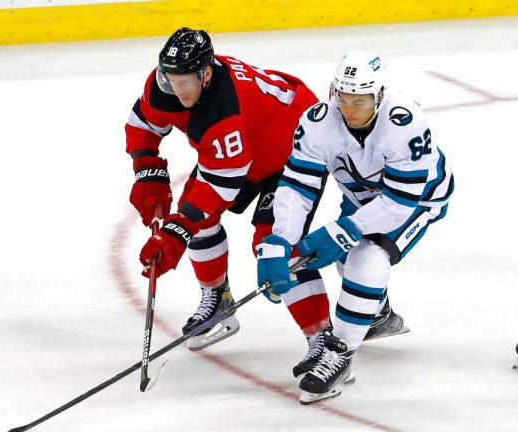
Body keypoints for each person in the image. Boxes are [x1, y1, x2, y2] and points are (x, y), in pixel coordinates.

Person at [256, 50, 454, 404]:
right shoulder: (317, 121)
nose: (349, 110)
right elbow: (297, 185)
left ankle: (341, 353)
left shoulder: (404, 122)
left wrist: (343, 231)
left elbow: (397, 203)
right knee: (343, 259)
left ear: (378, 95)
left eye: (359, 101)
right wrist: (281, 239)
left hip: (419, 198)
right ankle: (376, 315)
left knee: (367, 256)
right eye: (342, 98)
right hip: (363, 198)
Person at [126, 27, 332, 354]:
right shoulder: (164, 85)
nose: (177, 91)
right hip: (245, 151)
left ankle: (325, 339)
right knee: (197, 215)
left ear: (206, 74)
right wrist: (146, 167)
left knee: (275, 244)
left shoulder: (224, 107)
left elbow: (222, 185)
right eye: (171, 79)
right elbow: (143, 124)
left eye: (186, 82)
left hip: (293, 154)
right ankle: (218, 299)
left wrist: (179, 228)